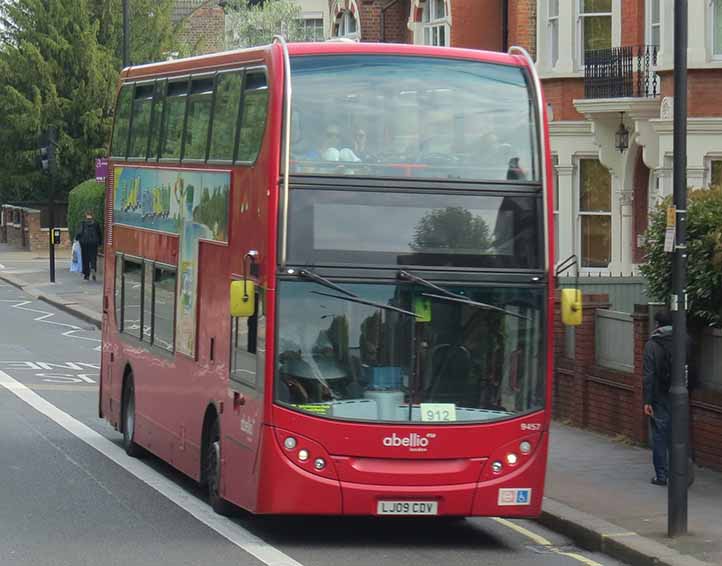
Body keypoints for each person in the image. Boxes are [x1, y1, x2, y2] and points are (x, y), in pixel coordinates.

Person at [76, 210, 102, 281]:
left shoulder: (83, 223)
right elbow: (99, 233)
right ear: (92, 215)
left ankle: (86, 275)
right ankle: (93, 268)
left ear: (86, 215)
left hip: (84, 243)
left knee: (85, 259)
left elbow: (79, 232)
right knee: (93, 257)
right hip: (94, 243)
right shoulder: (96, 223)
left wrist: (76, 239)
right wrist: (99, 243)